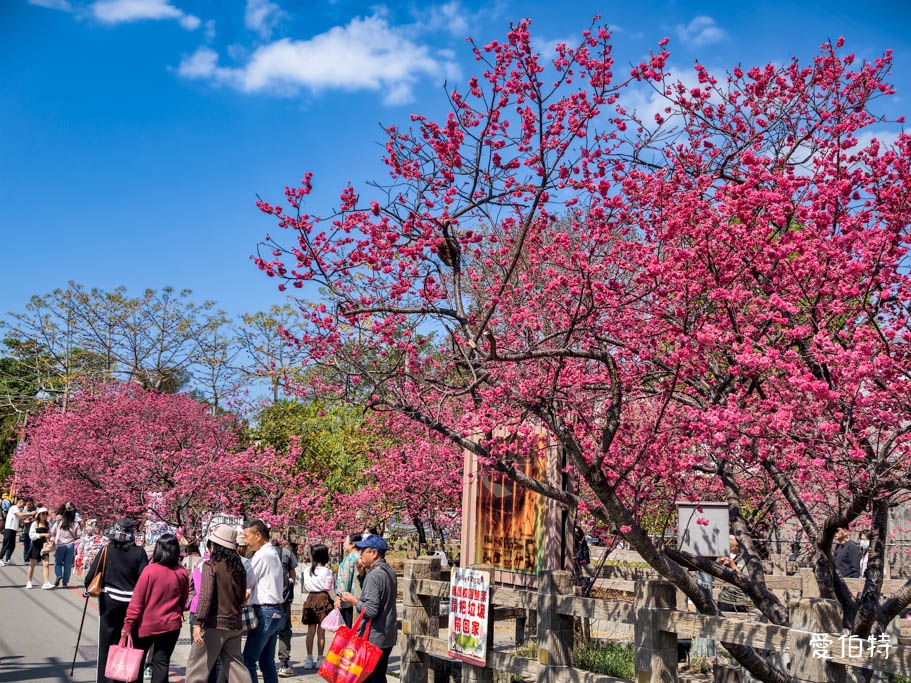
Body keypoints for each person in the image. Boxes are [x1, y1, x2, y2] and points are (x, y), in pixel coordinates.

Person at [84, 518, 150, 683]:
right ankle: (128, 677)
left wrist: (87, 588)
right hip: (132, 603)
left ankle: (105, 679)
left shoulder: (107, 549)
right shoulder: (139, 552)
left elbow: (91, 575)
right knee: (130, 642)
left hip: (109, 601)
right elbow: (143, 579)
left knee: (107, 642)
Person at [185, 525, 253, 683]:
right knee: (236, 668)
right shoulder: (239, 568)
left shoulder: (211, 565)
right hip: (234, 624)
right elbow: (242, 597)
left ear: (215, 545)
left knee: (197, 669)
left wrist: (198, 622)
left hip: (213, 624)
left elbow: (205, 596)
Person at [122, 533, 189, 683]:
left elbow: (137, 601)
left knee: (137, 661)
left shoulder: (150, 570)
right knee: (161, 663)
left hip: (146, 625)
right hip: (171, 625)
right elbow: (183, 600)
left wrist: (128, 624)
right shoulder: (182, 572)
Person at [340, 535, 397, 683]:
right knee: (378, 676)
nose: (360, 554)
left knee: (370, 678)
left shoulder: (375, 575)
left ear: (374, 553)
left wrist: (353, 601)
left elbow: (371, 610)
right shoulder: (387, 571)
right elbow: (376, 594)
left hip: (373, 638)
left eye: (364, 550)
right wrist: (361, 575)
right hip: (386, 636)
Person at [242, 518, 285, 683]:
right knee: (266, 661)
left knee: (249, 659)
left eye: (247, 536)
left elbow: (247, 581)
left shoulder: (261, 555)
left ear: (258, 535)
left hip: (265, 611)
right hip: (275, 611)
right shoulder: (273, 553)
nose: (246, 541)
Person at [300, 543, 334, 670]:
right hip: (323, 599)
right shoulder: (327, 571)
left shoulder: (306, 570)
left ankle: (309, 658)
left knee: (310, 631)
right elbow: (328, 587)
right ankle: (320, 658)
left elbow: (306, 586)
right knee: (321, 632)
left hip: (311, 599)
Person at [274, 540, 298, 678]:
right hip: (283, 600)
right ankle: (283, 664)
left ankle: (265, 663)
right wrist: (290, 590)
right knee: (284, 631)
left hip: (264, 601)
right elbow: (292, 574)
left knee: (265, 632)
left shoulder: (258, 553)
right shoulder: (286, 553)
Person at [716, 536, 752, 613]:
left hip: (740, 601)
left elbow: (745, 579)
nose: (727, 541)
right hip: (723, 599)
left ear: (737, 545)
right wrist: (719, 565)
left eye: (730, 539)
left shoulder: (746, 560)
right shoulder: (726, 557)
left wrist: (732, 565)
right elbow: (717, 579)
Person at [335, 533, 363, 628]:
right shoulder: (361, 557)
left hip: (348, 599)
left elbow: (345, 580)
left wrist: (339, 596)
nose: (343, 544)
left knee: (348, 627)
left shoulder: (350, 558)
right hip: (359, 598)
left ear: (353, 544)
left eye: (345, 541)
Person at [54, 501, 82, 587]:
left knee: (57, 562)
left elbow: (53, 531)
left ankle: (59, 575)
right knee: (67, 564)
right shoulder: (75, 523)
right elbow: (79, 535)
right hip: (70, 545)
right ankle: (65, 582)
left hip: (60, 544)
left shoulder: (60, 522)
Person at [0, 496, 33, 565]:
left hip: (14, 529)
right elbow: (20, 514)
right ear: (19, 502)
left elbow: (21, 521)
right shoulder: (14, 508)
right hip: (9, 528)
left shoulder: (18, 509)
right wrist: (30, 513)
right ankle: (0, 558)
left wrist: (28, 520)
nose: (23, 506)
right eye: (23, 504)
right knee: (6, 544)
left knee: (12, 545)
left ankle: (8, 559)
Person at [26, 507, 53, 589]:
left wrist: (51, 540)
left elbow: (50, 533)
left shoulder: (48, 524)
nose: (45, 515)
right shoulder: (35, 524)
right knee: (32, 564)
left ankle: (46, 582)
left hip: (44, 545)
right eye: (43, 514)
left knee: (46, 564)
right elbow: (31, 535)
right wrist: (41, 535)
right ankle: (29, 581)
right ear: (39, 515)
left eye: (46, 514)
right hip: (36, 545)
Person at [20, 499, 35, 563]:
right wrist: (28, 520)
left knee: (35, 546)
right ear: (26, 504)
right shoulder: (24, 511)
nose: (30, 505)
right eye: (28, 504)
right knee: (27, 546)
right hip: (27, 531)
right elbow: (21, 522)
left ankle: (36, 559)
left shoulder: (36, 509)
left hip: (35, 531)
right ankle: (26, 559)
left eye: (31, 504)